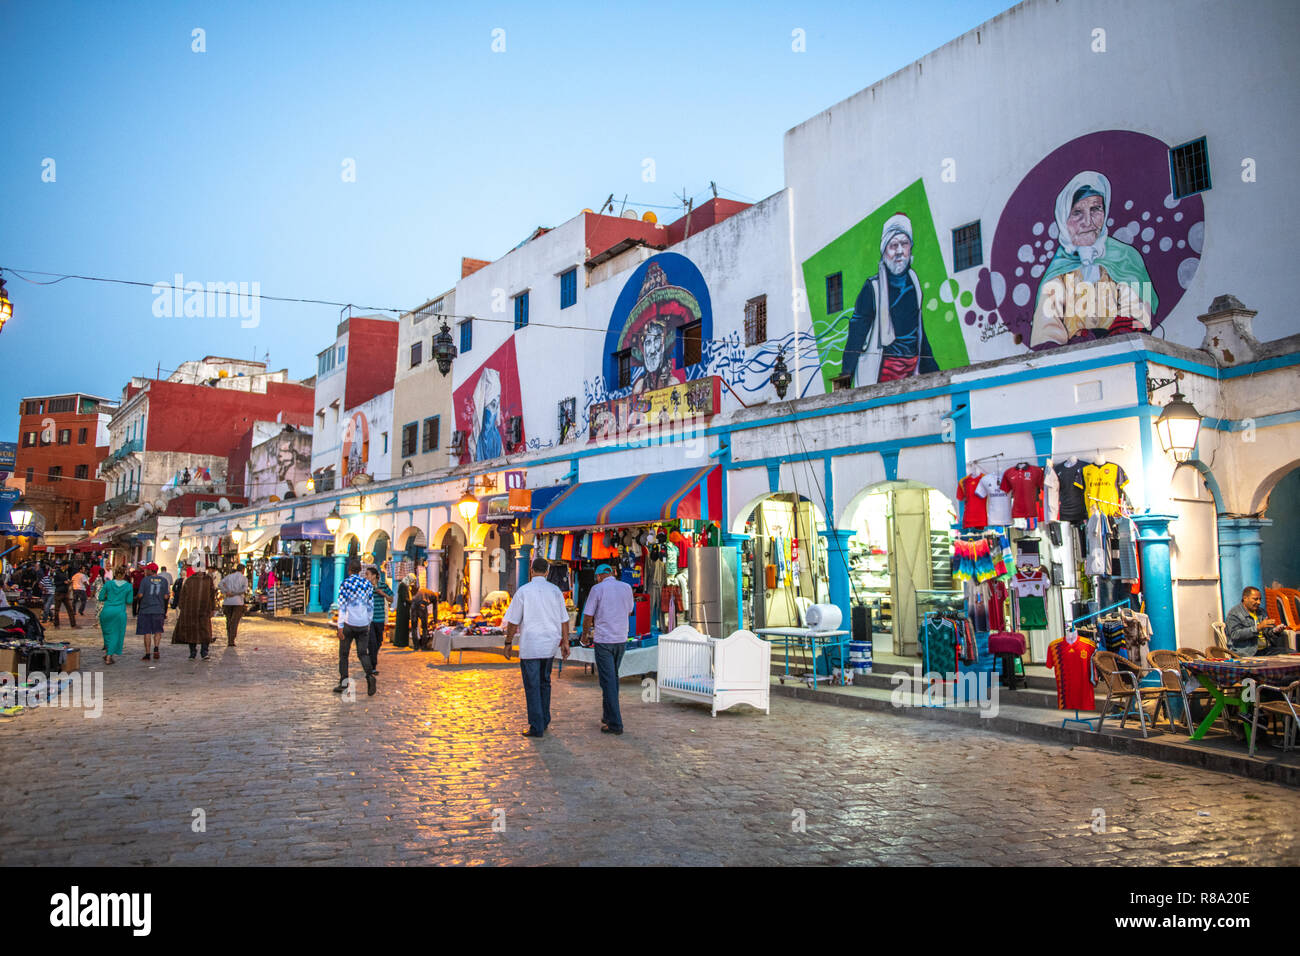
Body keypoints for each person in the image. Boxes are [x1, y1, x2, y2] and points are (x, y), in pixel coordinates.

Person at [1030, 170, 1157, 348]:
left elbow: (1138, 316)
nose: (1088, 221)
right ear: (1062, 218)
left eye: (1096, 209)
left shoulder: (1127, 258)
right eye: (1077, 212)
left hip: (1122, 357)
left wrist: (1115, 337)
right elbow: (1046, 332)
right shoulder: (1058, 273)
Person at [838, 213, 937, 385]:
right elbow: (856, 335)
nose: (899, 251)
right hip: (881, 372)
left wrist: (937, 376)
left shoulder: (914, 282)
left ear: (910, 248)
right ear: (884, 250)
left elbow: (920, 331)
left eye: (904, 244)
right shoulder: (872, 288)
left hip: (912, 371)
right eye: (893, 245)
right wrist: (845, 379)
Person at [503, 558, 570, 738]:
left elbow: (513, 621)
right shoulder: (556, 591)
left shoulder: (523, 591)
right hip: (549, 644)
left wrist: (508, 642)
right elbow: (565, 620)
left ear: (531, 571)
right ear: (547, 572)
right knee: (544, 682)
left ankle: (536, 725)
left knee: (532, 685)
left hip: (531, 644)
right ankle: (544, 719)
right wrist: (566, 642)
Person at [581, 563, 636, 735]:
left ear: (598, 576)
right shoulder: (626, 587)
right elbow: (629, 611)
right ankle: (607, 715)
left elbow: (588, 615)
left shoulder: (597, 589)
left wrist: (585, 634)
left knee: (609, 681)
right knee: (611, 678)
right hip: (621, 639)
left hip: (604, 640)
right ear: (612, 573)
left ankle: (615, 723)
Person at [334, 558, 376, 696]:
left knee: (344, 654)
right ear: (360, 570)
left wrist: (340, 626)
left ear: (349, 570)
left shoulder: (345, 584)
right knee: (363, 653)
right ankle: (370, 676)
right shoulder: (367, 584)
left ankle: (344, 683)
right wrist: (368, 622)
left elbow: (342, 606)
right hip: (363, 623)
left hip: (349, 623)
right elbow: (371, 606)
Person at [1226, 587, 1295, 657]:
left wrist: (1275, 631)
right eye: (1255, 599)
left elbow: (1268, 632)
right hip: (1246, 652)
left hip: (1265, 650)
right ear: (1245, 598)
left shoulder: (1261, 612)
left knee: (1293, 653)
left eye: (1260, 599)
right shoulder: (1235, 613)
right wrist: (1258, 628)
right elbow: (1235, 635)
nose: (1259, 602)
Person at [172, 561, 217, 660]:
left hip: (204, 610)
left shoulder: (208, 580)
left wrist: (212, 608)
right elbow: (183, 595)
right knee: (191, 632)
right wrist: (182, 607)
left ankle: (204, 652)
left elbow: (212, 595)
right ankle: (192, 652)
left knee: (205, 632)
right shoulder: (190, 580)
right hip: (191, 610)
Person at [97, 566, 133, 665]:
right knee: (116, 634)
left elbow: (100, 597)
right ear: (124, 574)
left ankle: (108, 653)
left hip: (107, 611)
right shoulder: (128, 586)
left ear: (115, 574)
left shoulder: (108, 584)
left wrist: (108, 599)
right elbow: (129, 601)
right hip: (119, 612)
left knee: (107, 634)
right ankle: (109, 656)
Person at [136, 563, 170, 660]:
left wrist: (137, 598)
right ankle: (156, 648)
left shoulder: (145, 580)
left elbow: (140, 595)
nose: (145, 571)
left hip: (146, 609)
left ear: (151, 571)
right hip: (159, 609)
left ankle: (147, 654)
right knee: (158, 630)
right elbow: (166, 596)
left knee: (147, 632)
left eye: (147, 570)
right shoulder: (164, 581)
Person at [364, 565, 393, 674]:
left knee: (378, 642)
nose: (366, 576)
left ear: (374, 576)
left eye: (367, 574)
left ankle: (370, 659)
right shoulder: (365, 587)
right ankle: (372, 666)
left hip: (380, 619)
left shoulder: (383, 586)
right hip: (369, 619)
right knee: (372, 642)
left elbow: (391, 598)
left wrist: (383, 594)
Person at [219, 565, 249, 646]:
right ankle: (231, 639)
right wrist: (235, 593)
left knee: (229, 620)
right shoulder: (244, 578)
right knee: (234, 622)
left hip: (228, 601)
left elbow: (220, 584)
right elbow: (244, 589)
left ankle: (229, 638)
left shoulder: (228, 577)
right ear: (243, 570)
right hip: (238, 602)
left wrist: (226, 592)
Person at [51, 563, 77, 629]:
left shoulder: (65, 572)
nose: (68, 567)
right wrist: (63, 582)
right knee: (57, 610)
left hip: (65, 593)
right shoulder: (57, 572)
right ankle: (56, 624)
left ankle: (73, 624)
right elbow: (54, 582)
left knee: (70, 609)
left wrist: (69, 582)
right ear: (64, 565)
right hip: (59, 593)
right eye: (67, 565)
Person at [393, 573, 415, 649]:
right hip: (403, 609)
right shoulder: (403, 586)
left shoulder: (404, 585)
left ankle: (403, 642)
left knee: (403, 626)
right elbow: (404, 598)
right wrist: (412, 601)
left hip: (404, 608)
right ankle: (401, 642)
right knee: (402, 626)